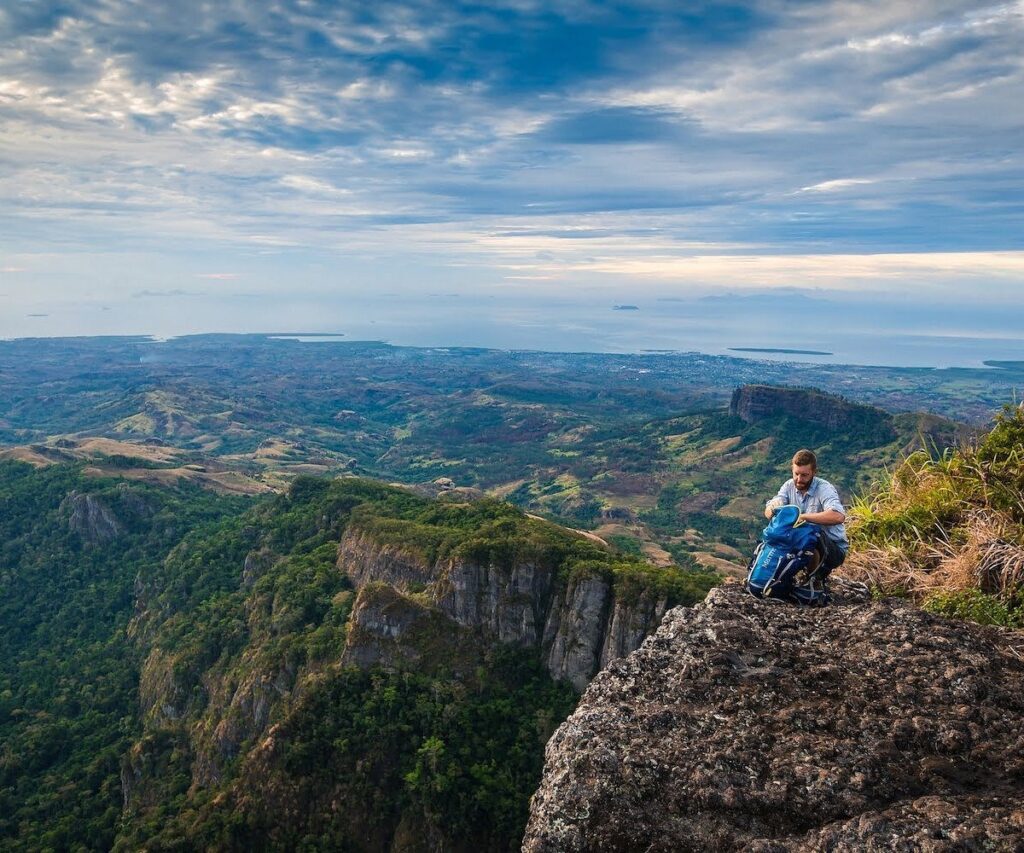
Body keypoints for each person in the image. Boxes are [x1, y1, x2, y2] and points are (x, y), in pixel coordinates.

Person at [765, 448, 848, 573]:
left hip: (832, 549)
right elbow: (769, 511)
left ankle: (812, 581)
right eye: (796, 474)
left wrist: (803, 517)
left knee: (811, 536)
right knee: (774, 534)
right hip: (799, 543)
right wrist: (772, 509)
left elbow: (838, 516)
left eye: (804, 475)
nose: (799, 479)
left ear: (814, 472)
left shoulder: (824, 489)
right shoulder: (788, 486)